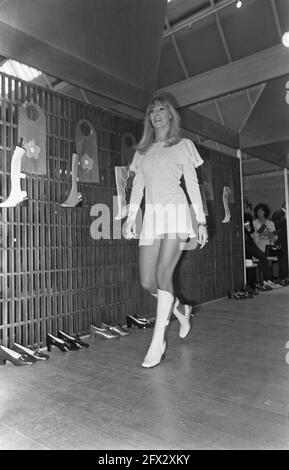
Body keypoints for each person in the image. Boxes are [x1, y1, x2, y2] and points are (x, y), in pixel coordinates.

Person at [125, 94, 208, 368]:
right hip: (152, 217)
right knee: (148, 282)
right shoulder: (142, 151)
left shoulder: (183, 145)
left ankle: (157, 341)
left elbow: (193, 185)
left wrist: (201, 221)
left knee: (163, 275)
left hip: (175, 211)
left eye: (162, 109)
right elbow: (138, 186)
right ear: (148, 117)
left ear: (171, 115)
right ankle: (181, 310)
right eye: (152, 110)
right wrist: (130, 216)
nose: (156, 114)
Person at [272, 203, 288, 283]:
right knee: (282, 260)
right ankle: (284, 278)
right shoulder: (277, 213)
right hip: (280, 241)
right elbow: (274, 225)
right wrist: (284, 217)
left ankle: (282, 279)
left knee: (286, 261)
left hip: (287, 241)